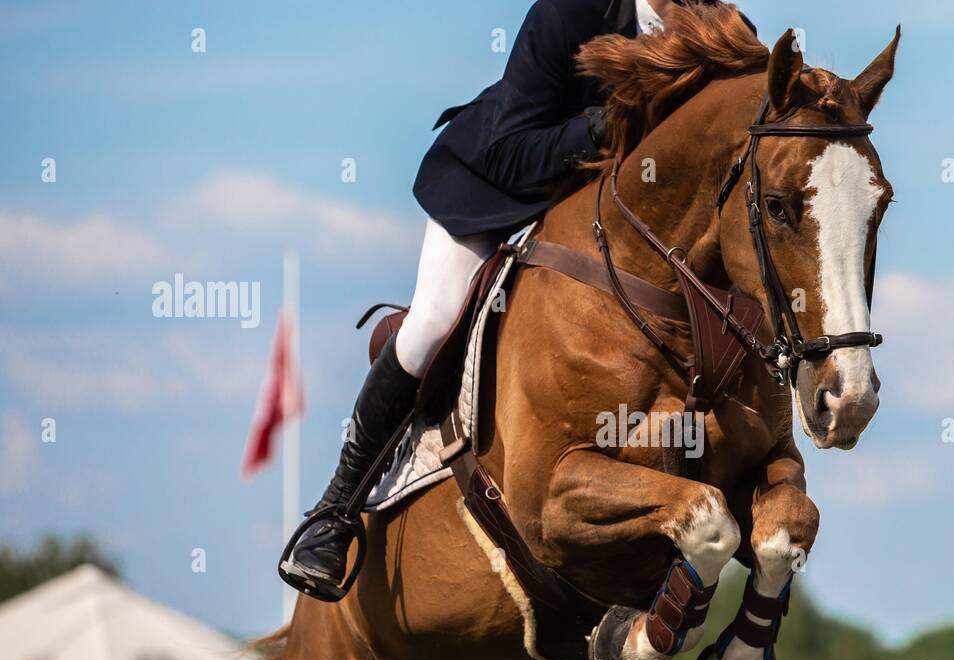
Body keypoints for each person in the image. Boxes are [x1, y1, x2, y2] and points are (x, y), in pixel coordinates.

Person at [280, 0, 748, 599]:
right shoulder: (569, 12)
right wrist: (603, 128)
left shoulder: (720, 26)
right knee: (432, 321)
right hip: (499, 189)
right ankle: (334, 514)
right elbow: (508, 149)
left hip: (612, 217)